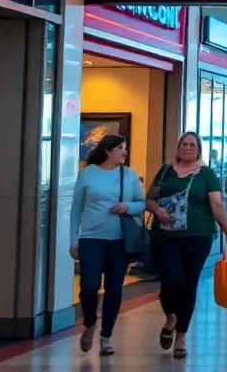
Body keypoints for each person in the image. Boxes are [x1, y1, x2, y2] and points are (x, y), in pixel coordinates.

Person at [146, 132, 227, 360]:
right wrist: (157, 210)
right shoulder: (165, 171)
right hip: (166, 236)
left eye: (192, 145)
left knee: (189, 284)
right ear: (178, 148)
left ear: (198, 150)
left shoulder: (206, 174)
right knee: (172, 280)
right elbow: (150, 199)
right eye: (184, 144)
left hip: (198, 235)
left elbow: (217, 204)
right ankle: (170, 317)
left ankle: (181, 337)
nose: (187, 148)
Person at [70, 134, 145, 356]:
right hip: (91, 239)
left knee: (114, 289)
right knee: (89, 286)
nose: (125, 152)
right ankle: (90, 322)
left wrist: (127, 208)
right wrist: (73, 238)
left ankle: (106, 336)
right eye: (121, 148)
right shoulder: (86, 175)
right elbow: (76, 209)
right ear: (108, 151)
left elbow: (142, 203)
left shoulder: (129, 175)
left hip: (119, 241)